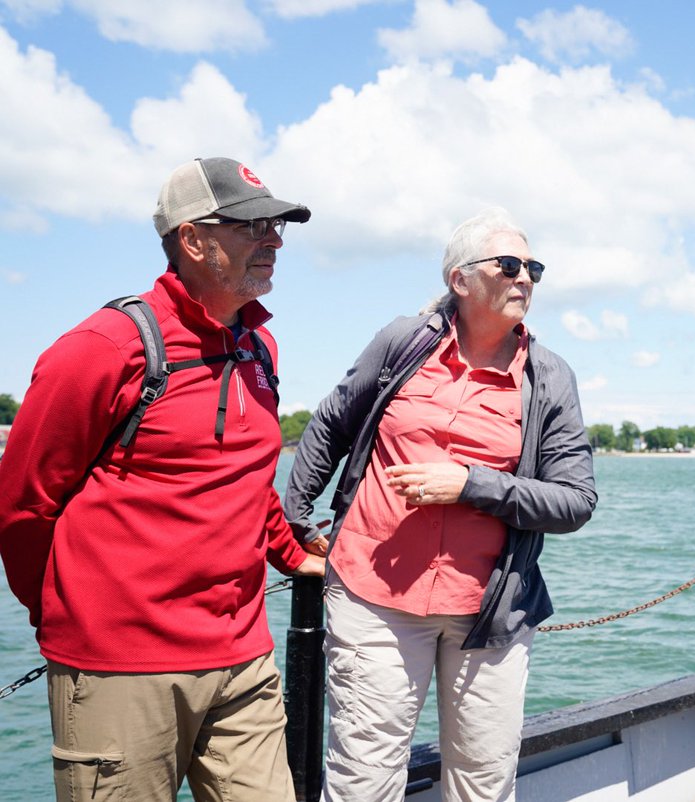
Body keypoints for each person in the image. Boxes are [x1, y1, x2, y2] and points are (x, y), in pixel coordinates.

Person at [0, 157, 324, 801]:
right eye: (252, 226)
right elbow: (22, 505)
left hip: (243, 659)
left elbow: (246, 479)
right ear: (193, 239)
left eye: (277, 226)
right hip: (121, 669)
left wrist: (295, 557)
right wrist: (72, 619)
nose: (274, 242)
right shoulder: (104, 347)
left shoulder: (259, 349)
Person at [284, 207, 597, 801]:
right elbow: (331, 423)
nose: (525, 278)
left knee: (483, 781)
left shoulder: (550, 378)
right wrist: (296, 522)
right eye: (509, 265)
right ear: (460, 279)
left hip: (490, 611)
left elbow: (575, 501)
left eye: (533, 268)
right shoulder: (402, 342)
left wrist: (471, 484)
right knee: (363, 780)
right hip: (373, 596)